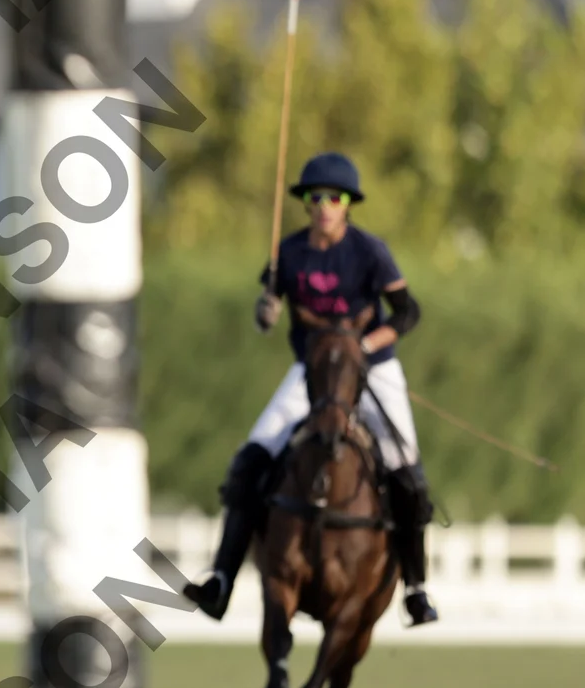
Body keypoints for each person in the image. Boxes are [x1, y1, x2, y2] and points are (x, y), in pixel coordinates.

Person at [183, 152, 438, 626]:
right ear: (306, 203)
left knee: (406, 470)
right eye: (316, 197)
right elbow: (268, 306)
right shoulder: (290, 253)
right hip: (313, 373)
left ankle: (415, 589)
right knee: (251, 459)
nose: (324, 206)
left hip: (374, 369)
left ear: (348, 205)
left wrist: (363, 347)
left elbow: (408, 312)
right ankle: (220, 579)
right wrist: (265, 313)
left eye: (334, 198)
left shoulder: (369, 251)